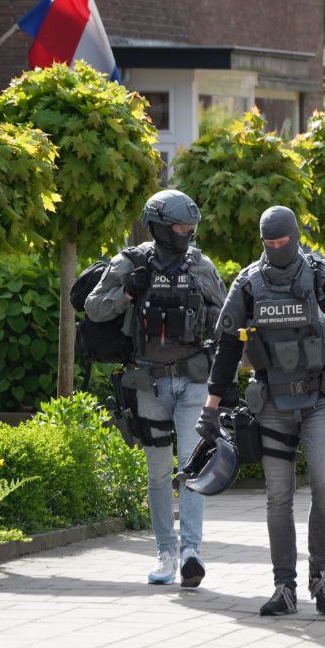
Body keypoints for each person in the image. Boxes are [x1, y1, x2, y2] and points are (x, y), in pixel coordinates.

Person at [197, 206, 325, 617]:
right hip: (272, 402)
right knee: (278, 497)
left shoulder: (324, 277)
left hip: (321, 399)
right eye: (268, 243)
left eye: (282, 241)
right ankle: (284, 587)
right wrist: (211, 407)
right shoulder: (249, 283)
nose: (275, 248)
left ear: (295, 236)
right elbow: (228, 347)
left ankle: (320, 575)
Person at [85, 190, 226, 588]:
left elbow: (226, 316)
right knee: (159, 472)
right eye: (181, 227)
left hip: (193, 380)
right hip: (148, 383)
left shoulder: (200, 264)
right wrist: (128, 292)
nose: (188, 234)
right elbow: (94, 308)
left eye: (191, 228)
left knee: (192, 468)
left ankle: (191, 551)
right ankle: (166, 551)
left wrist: (212, 323)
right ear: (159, 227)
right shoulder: (129, 262)